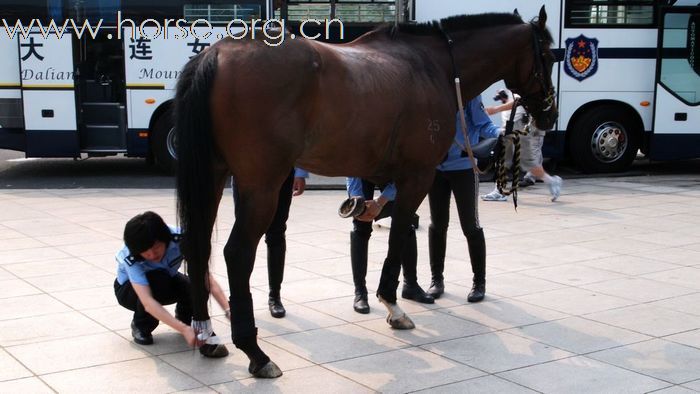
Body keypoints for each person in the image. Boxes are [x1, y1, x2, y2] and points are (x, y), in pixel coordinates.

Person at [114, 211, 229, 357]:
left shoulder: (181, 239)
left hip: (167, 279)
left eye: (156, 247)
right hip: (129, 291)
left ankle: (185, 318)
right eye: (145, 252)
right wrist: (182, 329)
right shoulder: (130, 256)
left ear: (165, 238)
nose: (152, 255)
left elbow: (206, 278)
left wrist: (228, 310)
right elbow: (147, 301)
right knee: (157, 279)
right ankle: (141, 325)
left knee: (195, 286)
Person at [427, 95, 499, 303]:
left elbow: (485, 124)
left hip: (464, 168)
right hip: (436, 169)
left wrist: (500, 135)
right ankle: (436, 280)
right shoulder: (435, 91)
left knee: (470, 226)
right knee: (437, 225)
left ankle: (479, 282)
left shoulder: (467, 94)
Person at [346, 177, 433, 314]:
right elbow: (352, 168)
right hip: (363, 174)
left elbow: (404, 175)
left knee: (405, 223)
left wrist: (380, 202)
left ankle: (411, 284)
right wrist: (357, 201)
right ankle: (360, 292)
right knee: (360, 227)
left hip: (393, 175)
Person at [232, 168, 308, 318]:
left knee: (276, 233)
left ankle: (275, 296)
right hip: (245, 170)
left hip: (281, 171)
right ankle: (240, 299)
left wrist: (299, 172)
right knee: (244, 235)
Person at [482, 89, 563, 202]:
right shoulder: (511, 80)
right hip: (508, 123)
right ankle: (499, 191)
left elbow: (521, 101)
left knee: (527, 162)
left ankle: (552, 181)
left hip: (520, 123)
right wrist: (505, 96)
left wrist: (495, 109)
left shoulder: (523, 78)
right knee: (503, 159)